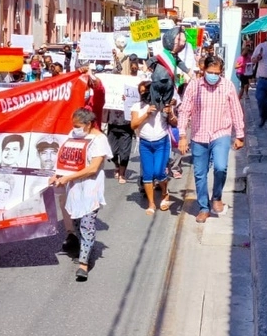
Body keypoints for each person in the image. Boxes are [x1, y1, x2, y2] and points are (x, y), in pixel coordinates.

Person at [177, 56, 247, 223]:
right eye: (210, 72)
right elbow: (184, 110)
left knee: (221, 167)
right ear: (203, 70)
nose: (213, 76)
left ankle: (217, 197)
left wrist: (240, 134)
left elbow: (236, 109)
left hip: (220, 133)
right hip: (199, 135)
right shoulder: (194, 86)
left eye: (217, 73)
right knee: (200, 174)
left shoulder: (227, 86)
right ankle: (203, 207)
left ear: (221, 72)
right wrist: (182, 135)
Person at [49, 108, 113, 282]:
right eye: (73, 125)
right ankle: (82, 246)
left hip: (91, 189)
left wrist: (68, 177)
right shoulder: (74, 135)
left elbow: (93, 168)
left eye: (78, 126)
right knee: (76, 223)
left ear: (89, 124)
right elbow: (66, 160)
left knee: (87, 224)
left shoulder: (99, 140)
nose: (74, 128)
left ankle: (83, 264)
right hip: (73, 190)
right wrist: (59, 174)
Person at [131, 81, 177, 215]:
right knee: (147, 174)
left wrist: (169, 113)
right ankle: (151, 203)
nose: (143, 94)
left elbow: (175, 123)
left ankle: (164, 192)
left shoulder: (163, 105)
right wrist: (146, 113)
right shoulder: (136, 106)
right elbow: (133, 125)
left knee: (158, 172)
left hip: (161, 142)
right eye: (141, 92)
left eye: (146, 92)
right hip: (145, 143)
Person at [105, 108, 133, 184]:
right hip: (112, 124)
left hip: (126, 126)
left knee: (124, 153)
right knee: (111, 152)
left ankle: (122, 174)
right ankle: (117, 165)